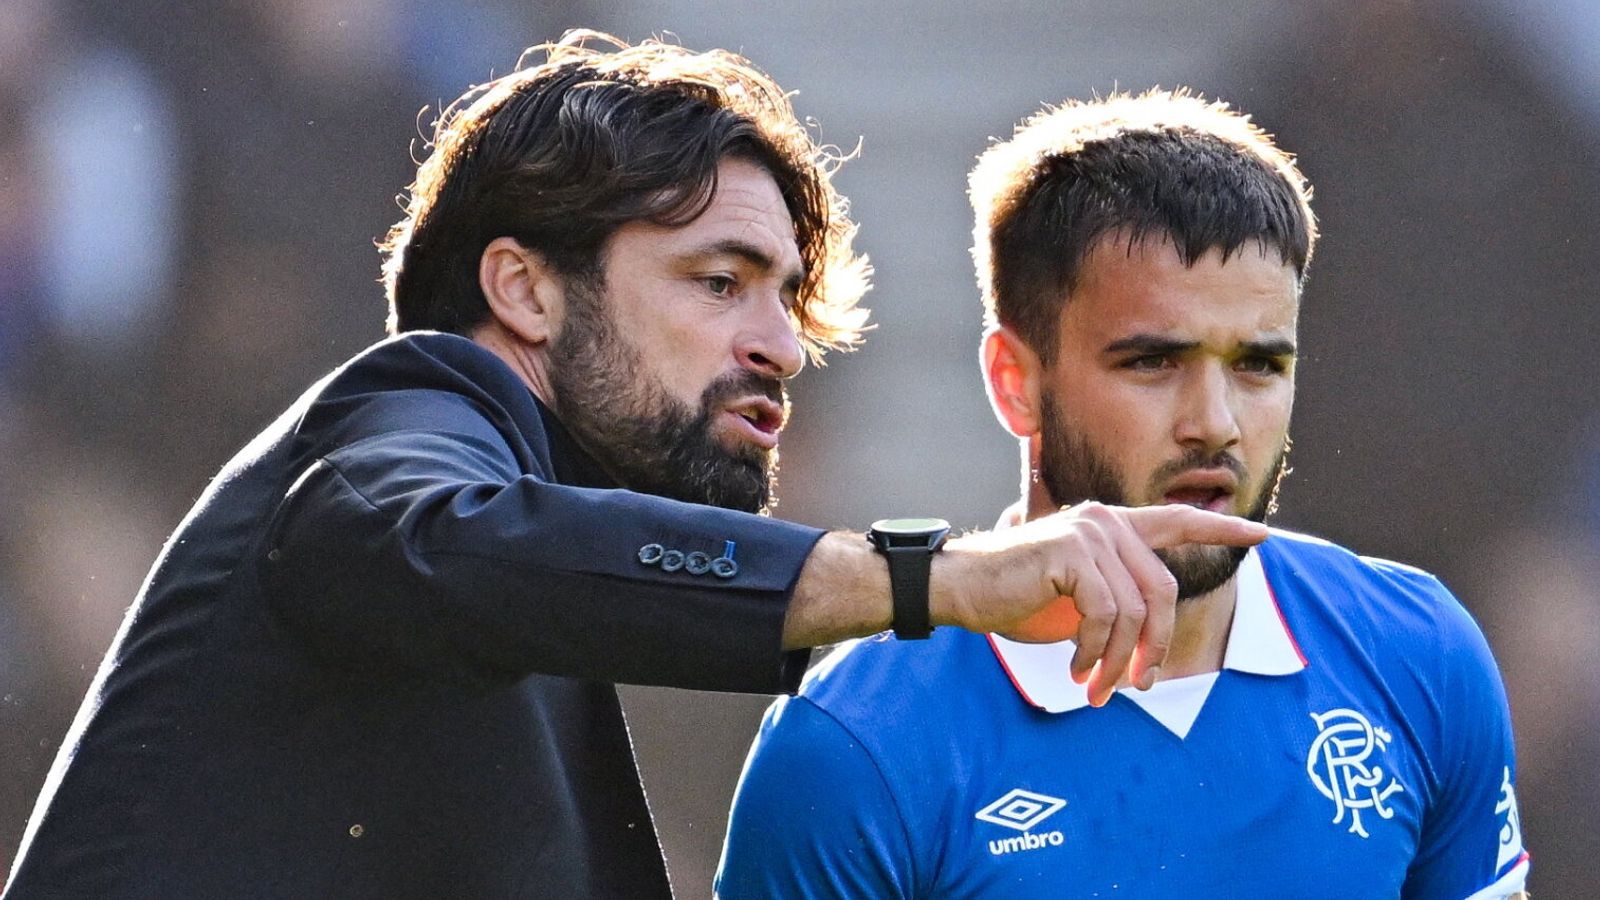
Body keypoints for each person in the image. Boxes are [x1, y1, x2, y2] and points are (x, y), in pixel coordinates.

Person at [1, 36, 1266, 900]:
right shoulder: (406, 429)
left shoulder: (544, 592)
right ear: (525, 291)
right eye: (717, 283)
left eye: (786, 300)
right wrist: (934, 575)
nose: (777, 343)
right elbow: (446, 544)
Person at [716, 89, 1530, 899]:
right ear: (1015, 383)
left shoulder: (1419, 654)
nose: (1214, 425)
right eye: (1152, 362)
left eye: (1258, 365)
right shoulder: (855, 747)